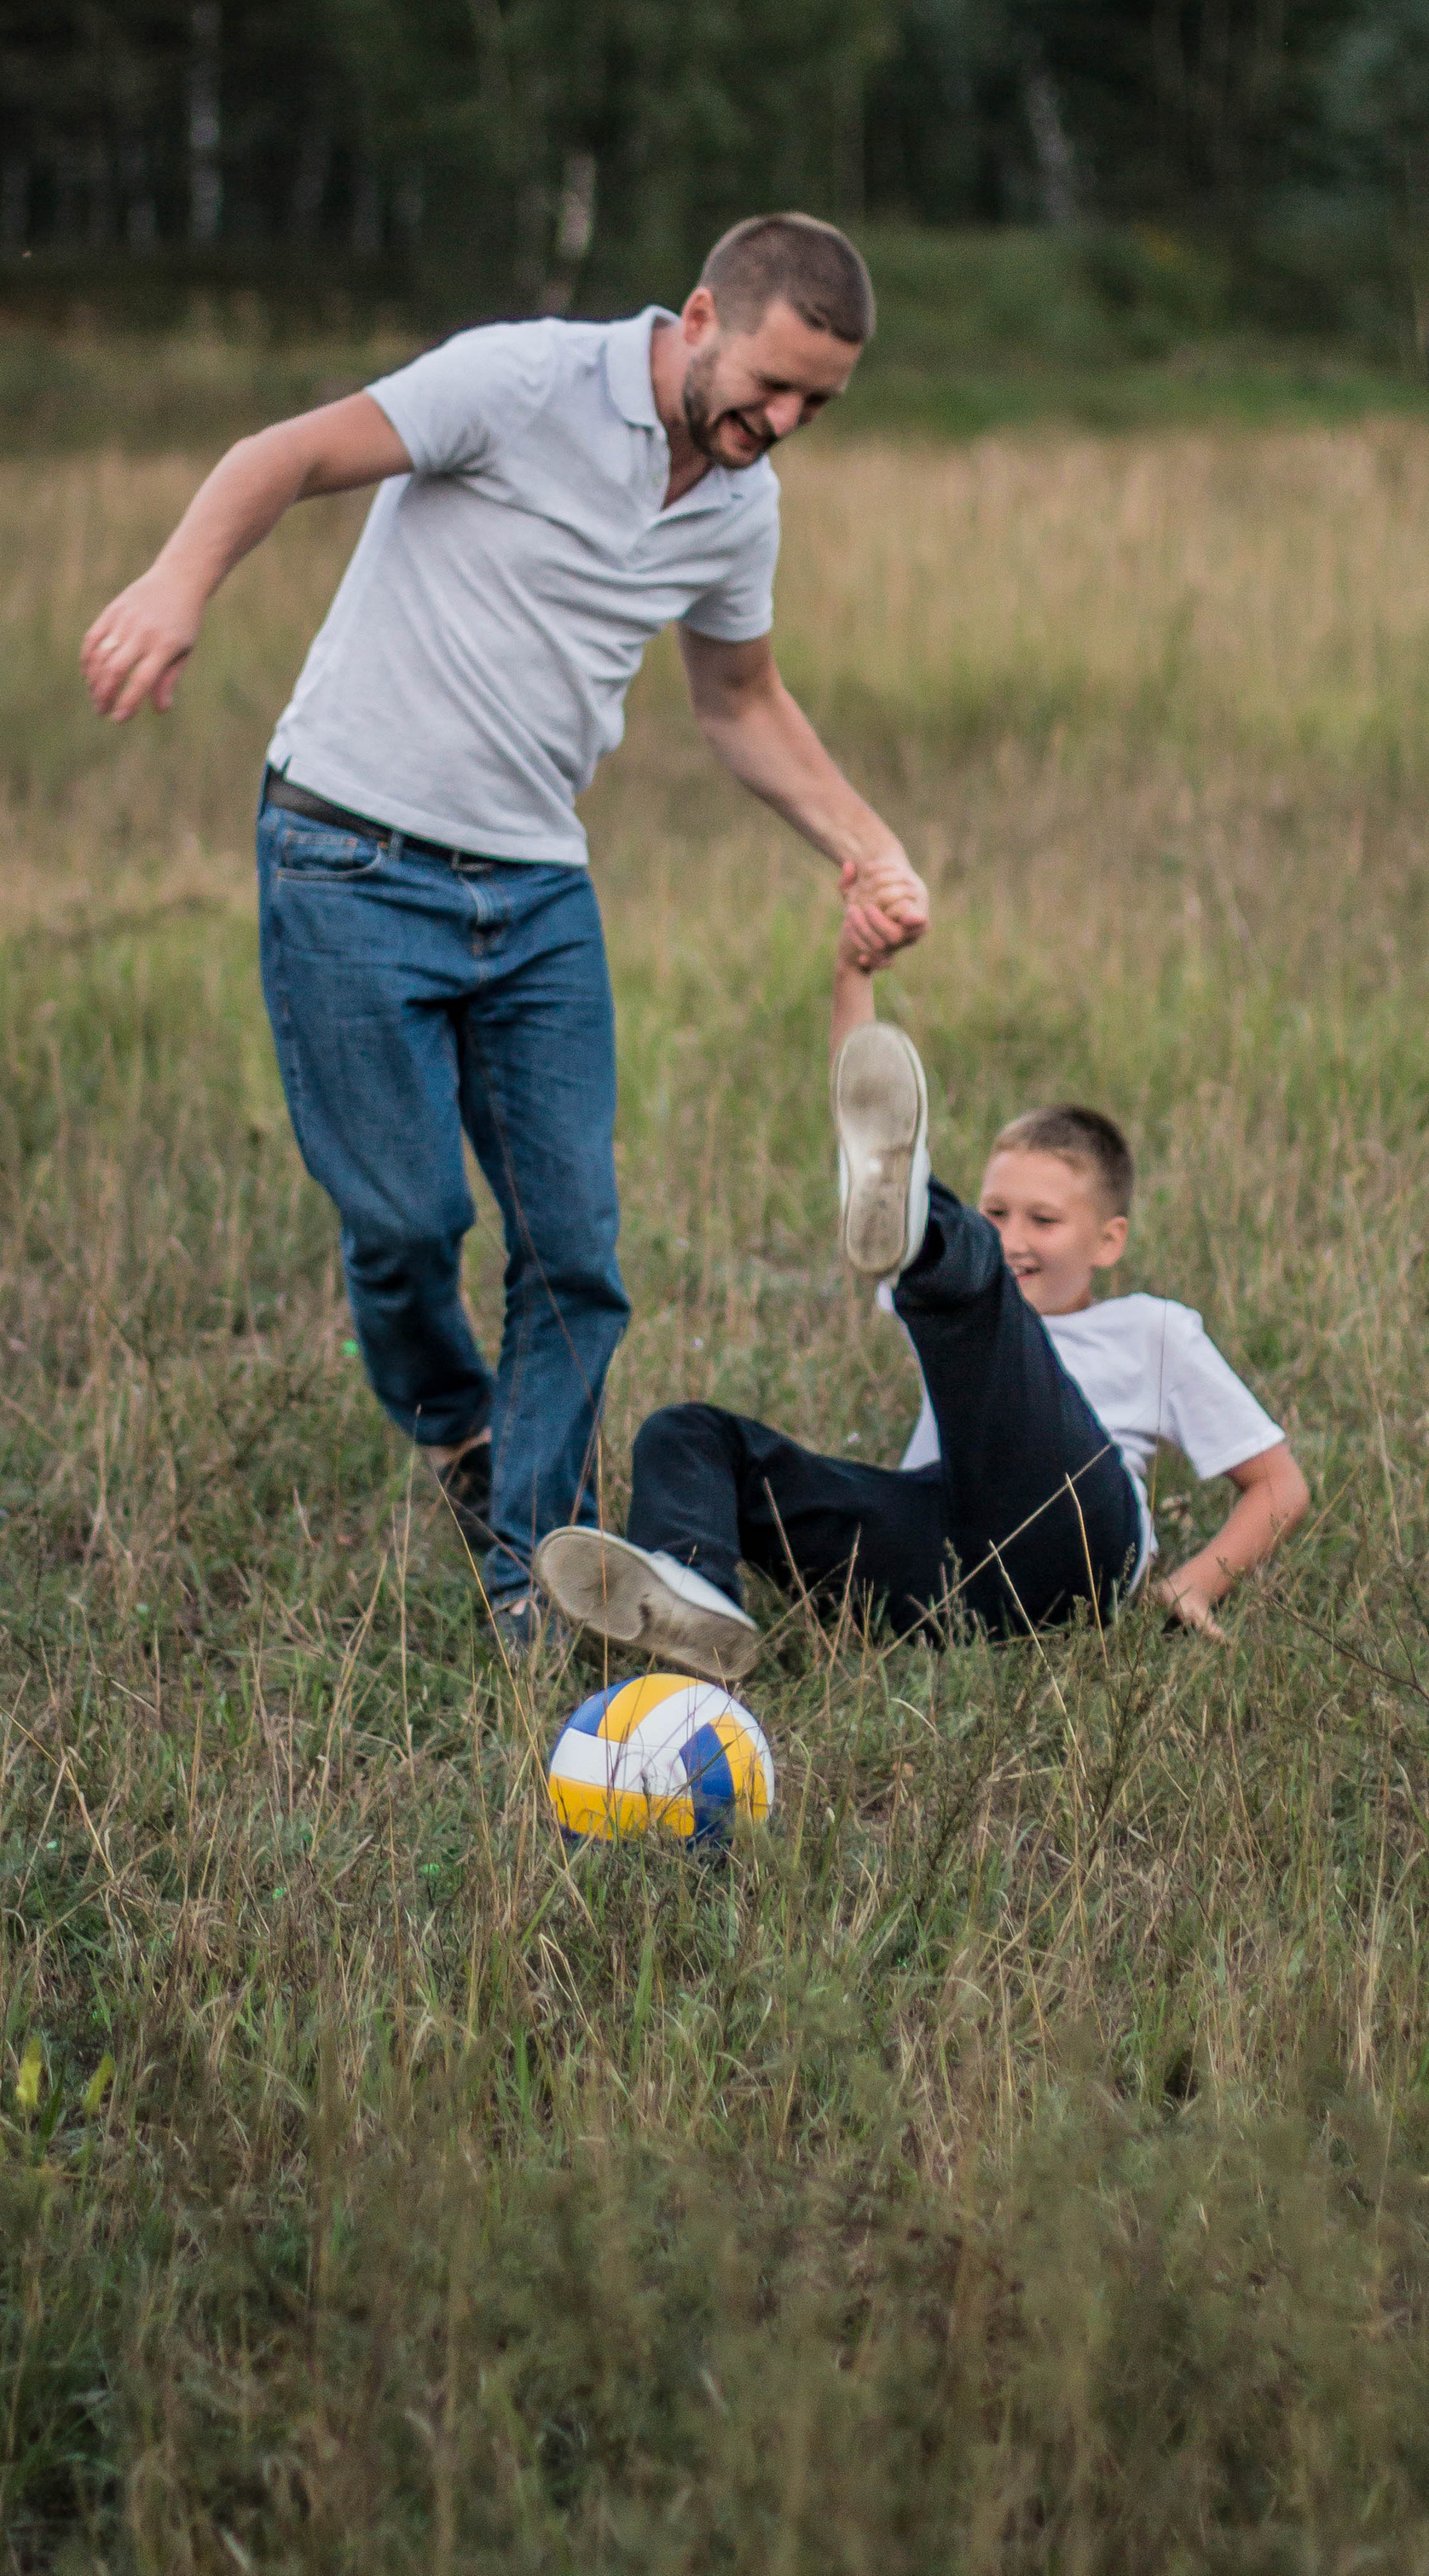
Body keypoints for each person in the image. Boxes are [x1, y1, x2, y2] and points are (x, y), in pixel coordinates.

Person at [79, 216, 928, 1638]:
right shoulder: (519, 383)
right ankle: (455, 1430)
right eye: (771, 385)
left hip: (536, 891)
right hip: (349, 854)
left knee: (578, 1254)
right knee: (407, 1222)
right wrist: (176, 585)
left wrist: (867, 841)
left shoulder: (736, 506)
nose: (782, 423)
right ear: (705, 314)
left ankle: (530, 1569)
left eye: (815, 406)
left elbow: (738, 703)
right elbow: (278, 457)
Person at [536, 884, 1307, 1676]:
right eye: (997, 1213)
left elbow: (1278, 1484)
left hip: (1077, 1550)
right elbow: (863, 1110)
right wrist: (851, 979)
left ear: (1110, 1241)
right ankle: (693, 1600)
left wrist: (1195, 1585)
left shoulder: (1152, 1329)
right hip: (935, 1570)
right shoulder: (961, 1309)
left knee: (971, 1287)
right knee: (687, 1432)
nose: (1015, 1239)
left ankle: (925, 1223)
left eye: (1044, 1221)